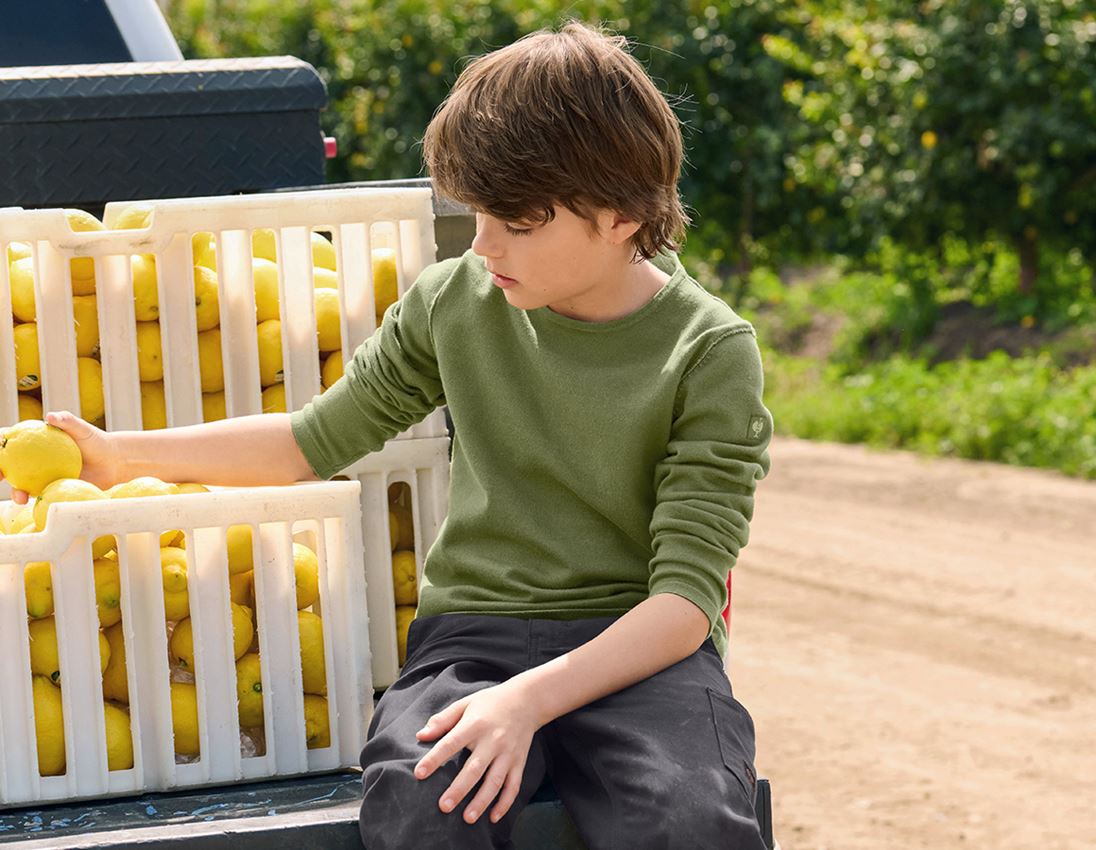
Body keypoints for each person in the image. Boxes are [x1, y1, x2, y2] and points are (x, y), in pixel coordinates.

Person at [6, 20, 772, 849]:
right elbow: (310, 440)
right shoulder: (456, 302)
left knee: (689, 820)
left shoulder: (709, 351)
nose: (482, 244)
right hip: (473, 640)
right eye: (475, 214)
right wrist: (122, 457)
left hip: (639, 654)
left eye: (517, 221)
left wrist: (531, 701)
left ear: (621, 214)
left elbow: (684, 605)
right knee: (420, 800)